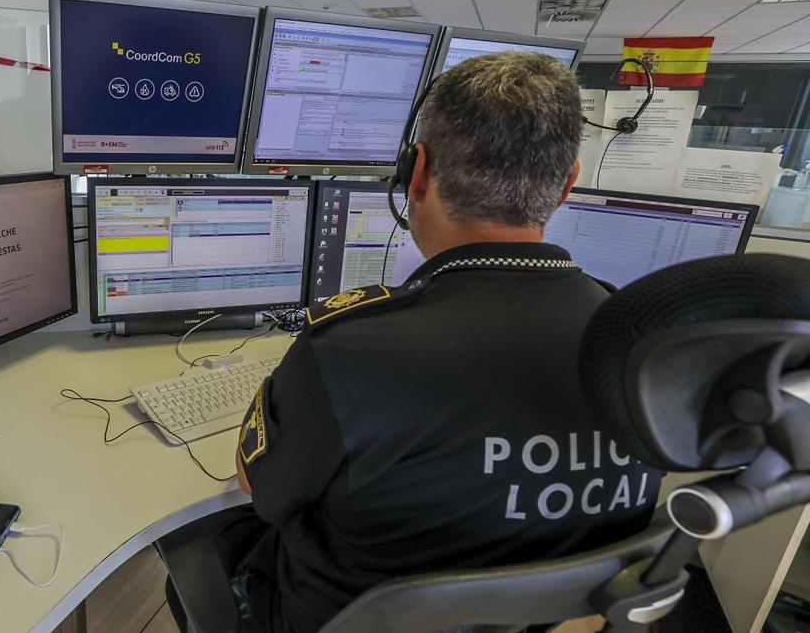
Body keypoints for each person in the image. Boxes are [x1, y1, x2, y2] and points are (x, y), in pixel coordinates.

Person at [165, 52, 662, 633]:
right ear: (567, 185)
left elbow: (262, 492)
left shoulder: (350, 347)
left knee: (201, 540)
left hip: (334, 621)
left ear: (416, 172)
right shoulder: (643, 341)